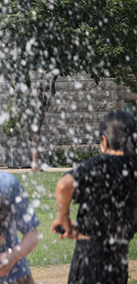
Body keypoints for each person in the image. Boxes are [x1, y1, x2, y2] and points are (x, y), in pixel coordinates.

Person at [51, 110, 137, 284]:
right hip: (118, 259)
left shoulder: (101, 163)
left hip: (90, 260)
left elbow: (64, 185)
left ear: (104, 140)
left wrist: (63, 219)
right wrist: (86, 226)